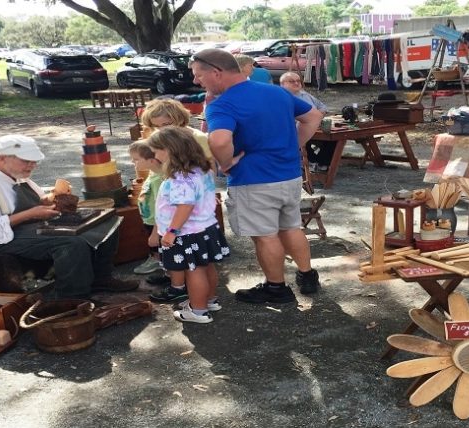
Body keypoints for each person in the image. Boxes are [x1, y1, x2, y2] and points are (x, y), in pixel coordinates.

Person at [189, 48, 324, 304]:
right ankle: (307, 276)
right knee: (291, 227)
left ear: (216, 73)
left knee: (265, 235)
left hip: (253, 179)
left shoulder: (223, 104)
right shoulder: (277, 91)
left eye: (199, 75)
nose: (197, 81)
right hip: (288, 175)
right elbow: (313, 117)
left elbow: (218, 140)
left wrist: (226, 162)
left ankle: (276, 288)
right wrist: (293, 145)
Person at [0, 135, 139, 299]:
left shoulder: (14, 172)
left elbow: (34, 200)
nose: (33, 165)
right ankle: (70, 298)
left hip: (19, 226)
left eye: (34, 160)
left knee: (107, 221)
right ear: (1, 158)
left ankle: (100, 279)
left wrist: (50, 199)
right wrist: (31, 214)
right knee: (71, 243)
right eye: (26, 160)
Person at [146, 127, 230, 323]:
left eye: (156, 150)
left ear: (169, 150)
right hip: (205, 228)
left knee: (193, 270)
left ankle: (198, 310)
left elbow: (185, 206)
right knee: (206, 266)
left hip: (186, 233)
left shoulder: (180, 178)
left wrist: (171, 231)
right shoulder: (202, 169)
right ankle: (208, 300)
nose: (155, 155)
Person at [140, 98, 217, 172]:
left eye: (166, 124)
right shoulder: (156, 137)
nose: (161, 129)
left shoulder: (197, 138)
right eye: (156, 126)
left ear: (179, 119)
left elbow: (210, 165)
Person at [279, 71, 333, 173]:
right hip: (297, 130)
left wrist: (316, 118)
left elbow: (323, 107)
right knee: (309, 141)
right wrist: (311, 118)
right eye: (292, 81)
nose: (296, 83)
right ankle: (312, 163)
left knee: (333, 138)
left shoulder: (304, 94)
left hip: (315, 126)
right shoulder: (281, 98)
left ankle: (322, 164)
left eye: (298, 81)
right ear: (282, 84)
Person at [128, 141, 165, 276]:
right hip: (149, 220)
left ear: (152, 160)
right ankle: (161, 265)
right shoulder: (152, 174)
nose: (133, 162)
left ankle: (163, 267)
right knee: (155, 245)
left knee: (159, 245)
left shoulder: (159, 180)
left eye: (136, 159)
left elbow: (161, 208)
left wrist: (156, 231)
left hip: (158, 222)